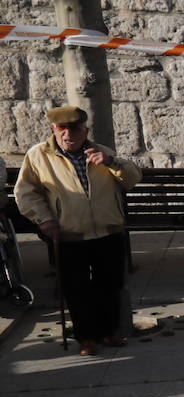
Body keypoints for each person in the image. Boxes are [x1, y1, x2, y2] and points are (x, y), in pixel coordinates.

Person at [15, 105, 142, 356]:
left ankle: (109, 331)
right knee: (77, 288)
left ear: (85, 130)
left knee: (111, 284)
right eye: (62, 129)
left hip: (108, 230)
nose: (68, 134)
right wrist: (44, 220)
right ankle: (86, 337)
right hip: (69, 233)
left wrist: (111, 162)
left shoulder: (102, 152)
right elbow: (25, 193)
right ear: (54, 129)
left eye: (75, 129)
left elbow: (133, 177)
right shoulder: (38, 155)